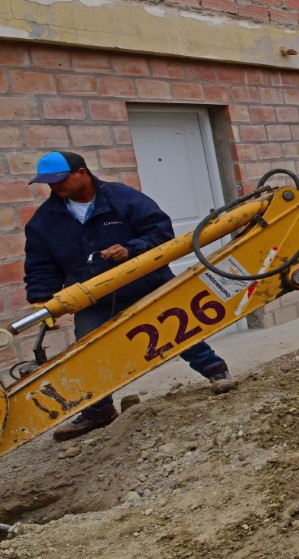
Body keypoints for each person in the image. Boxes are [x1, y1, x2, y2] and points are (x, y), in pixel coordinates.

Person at [23, 151, 237, 441]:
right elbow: (41, 265)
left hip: (144, 282)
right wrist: (41, 299)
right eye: (48, 183)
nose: (53, 187)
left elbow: (161, 233)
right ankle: (98, 410)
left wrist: (131, 249)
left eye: (59, 180)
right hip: (92, 297)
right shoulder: (44, 222)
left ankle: (216, 371)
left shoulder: (122, 199)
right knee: (88, 351)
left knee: (176, 327)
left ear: (82, 173)